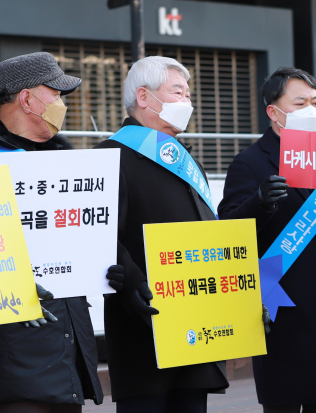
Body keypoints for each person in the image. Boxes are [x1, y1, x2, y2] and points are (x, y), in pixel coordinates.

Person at [0, 52, 108, 413]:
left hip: (66, 357)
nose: (62, 105)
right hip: (10, 357)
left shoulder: (64, 164)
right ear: (27, 98)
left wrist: (107, 266)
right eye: (57, 95)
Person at [218, 67, 316, 413]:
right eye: (300, 103)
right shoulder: (250, 163)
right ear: (274, 111)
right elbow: (228, 230)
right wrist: (258, 202)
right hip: (282, 309)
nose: (311, 110)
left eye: (315, 102)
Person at [93, 56, 228, 412]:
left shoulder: (183, 158)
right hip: (143, 320)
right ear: (144, 97)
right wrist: (133, 283)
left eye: (188, 94)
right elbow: (99, 232)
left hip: (195, 320)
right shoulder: (109, 155)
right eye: (178, 92)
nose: (187, 102)